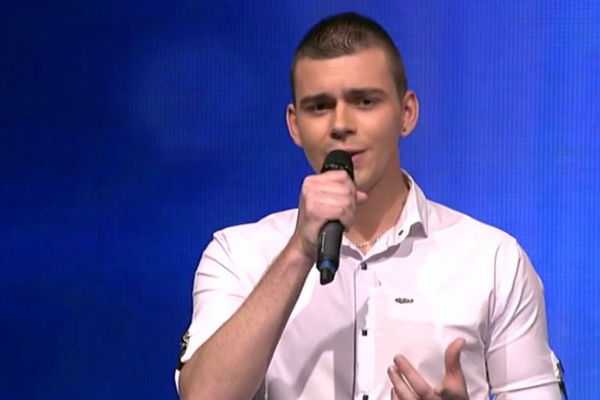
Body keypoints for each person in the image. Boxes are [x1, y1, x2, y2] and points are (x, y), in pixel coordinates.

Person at [176, 12, 564, 400]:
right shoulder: (238, 255)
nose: (341, 124)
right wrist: (300, 250)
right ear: (294, 125)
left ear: (406, 114)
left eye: (364, 101)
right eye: (319, 106)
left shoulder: (493, 260)